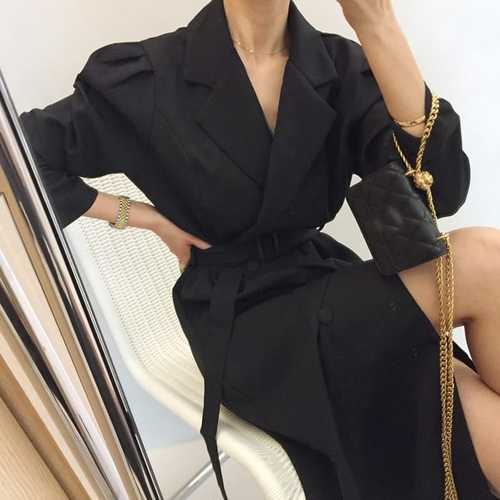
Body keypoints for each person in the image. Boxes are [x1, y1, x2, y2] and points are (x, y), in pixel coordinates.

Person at [19, 0, 500, 498]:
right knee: (486, 260)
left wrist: (376, 22)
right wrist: (137, 215)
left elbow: (439, 191)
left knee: (459, 394)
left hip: (322, 283)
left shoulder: (336, 67)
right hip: (244, 325)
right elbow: (18, 154)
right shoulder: (150, 75)